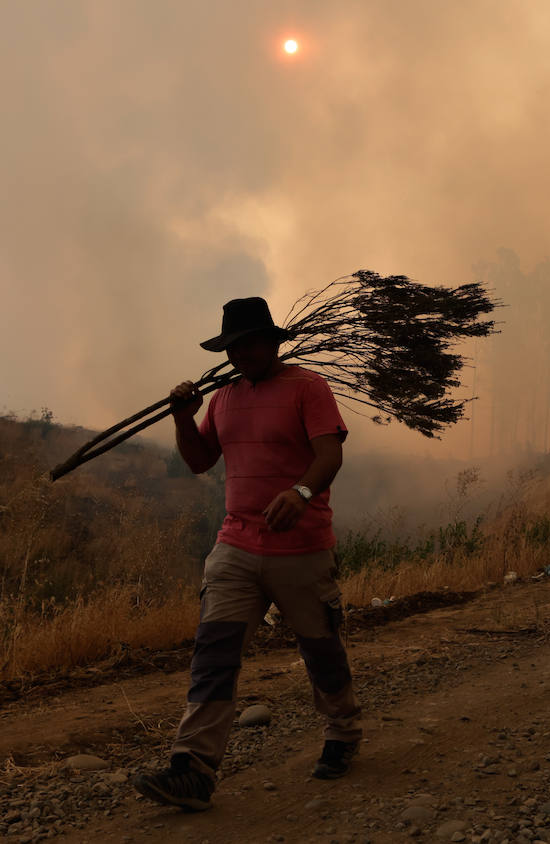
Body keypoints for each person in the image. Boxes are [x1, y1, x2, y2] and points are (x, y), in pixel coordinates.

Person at [133, 297, 362, 812]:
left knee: (320, 649)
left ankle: (343, 733)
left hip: (302, 549)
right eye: (234, 346)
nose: (242, 353)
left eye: (251, 343)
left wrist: (300, 493)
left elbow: (330, 453)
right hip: (235, 546)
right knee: (214, 655)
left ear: (273, 343)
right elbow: (198, 462)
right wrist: (183, 418)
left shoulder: (308, 387)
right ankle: (191, 768)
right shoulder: (224, 398)